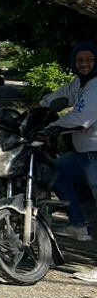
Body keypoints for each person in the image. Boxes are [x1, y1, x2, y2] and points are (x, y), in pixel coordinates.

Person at [44, 42, 97, 280]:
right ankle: (78, 224)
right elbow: (59, 97)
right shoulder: (79, 83)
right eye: (79, 60)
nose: (84, 64)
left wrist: (53, 127)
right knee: (54, 170)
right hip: (83, 154)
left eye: (89, 59)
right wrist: (36, 111)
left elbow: (83, 119)